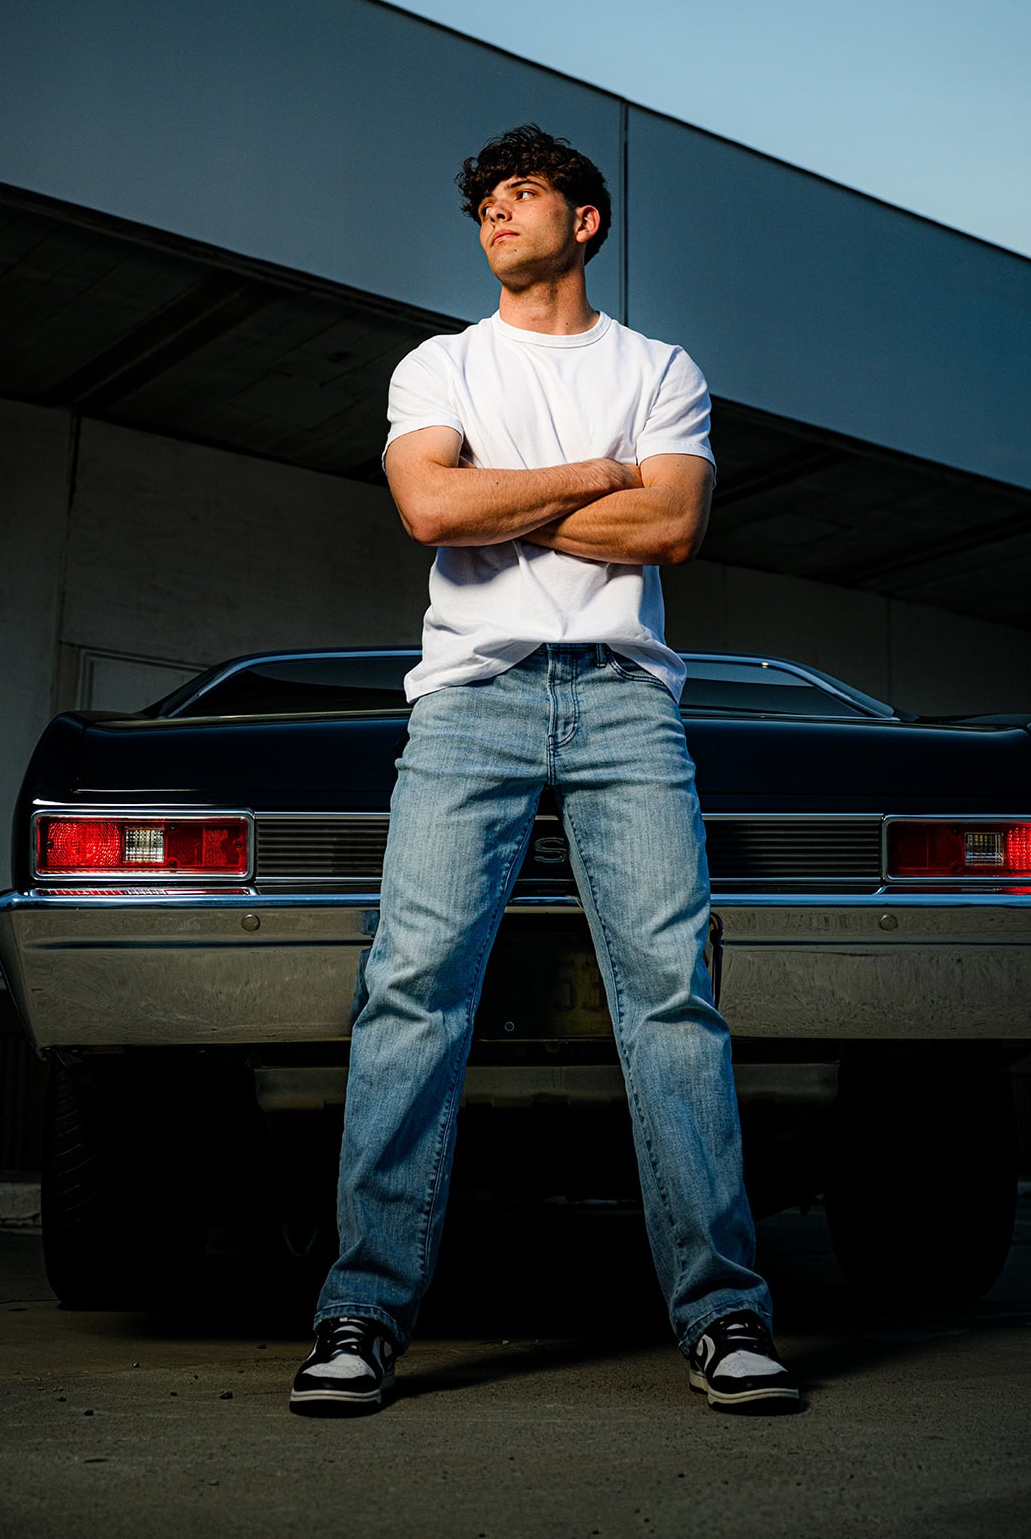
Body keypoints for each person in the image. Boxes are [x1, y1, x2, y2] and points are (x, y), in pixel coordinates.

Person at [290, 124, 797, 1413]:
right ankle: (361, 1313)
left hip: (628, 706)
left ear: (585, 221)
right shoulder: (441, 363)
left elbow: (670, 527)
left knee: (673, 999)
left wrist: (505, 493)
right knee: (412, 990)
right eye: (483, 207)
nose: (495, 219)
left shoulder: (659, 366)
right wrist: (595, 479)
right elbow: (430, 511)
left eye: (522, 197)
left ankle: (726, 1315)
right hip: (471, 702)